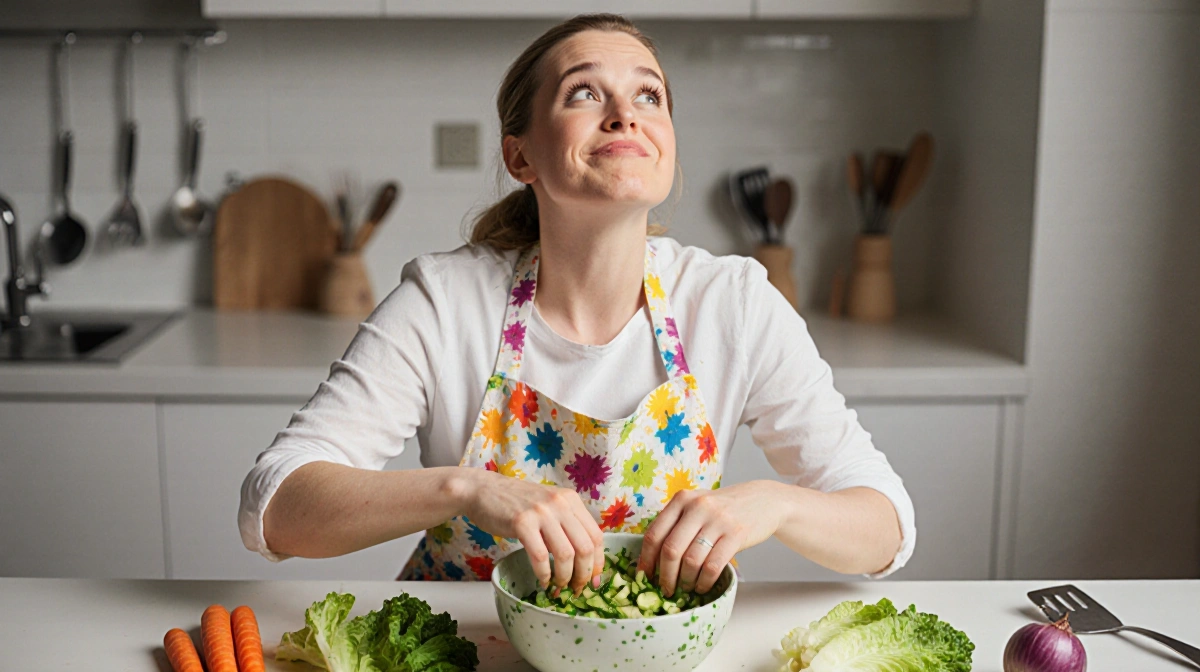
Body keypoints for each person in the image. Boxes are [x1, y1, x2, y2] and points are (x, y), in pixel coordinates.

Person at [239, 13, 914, 599]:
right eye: (584, 92)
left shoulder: (732, 303)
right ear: (520, 155)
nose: (625, 113)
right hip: (466, 648)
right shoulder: (445, 303)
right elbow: (276, 505)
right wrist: (467, 490)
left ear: (669, 145)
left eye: (648, 95)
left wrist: (775, 504)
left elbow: (885, 528)